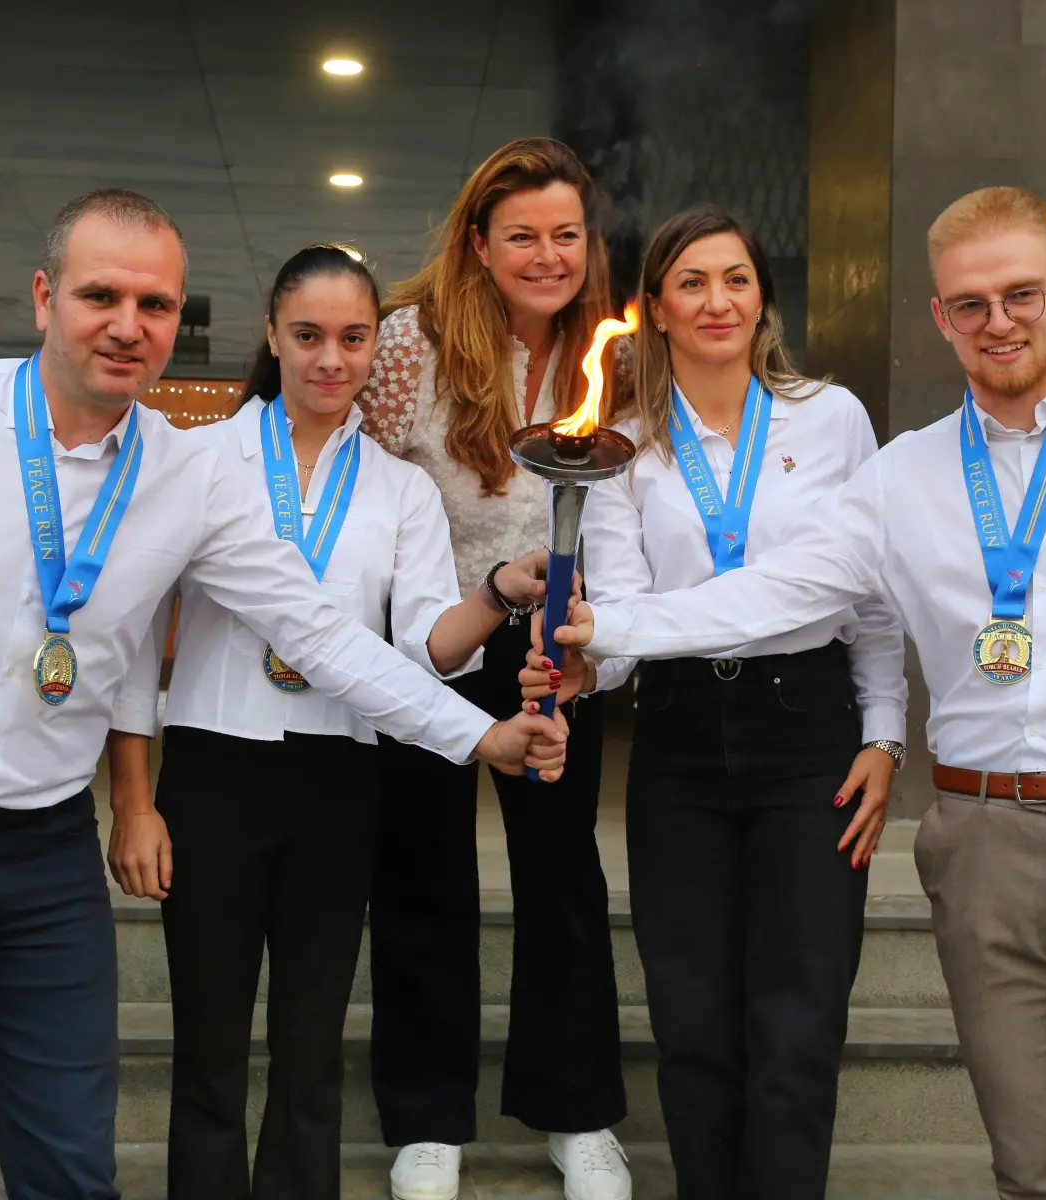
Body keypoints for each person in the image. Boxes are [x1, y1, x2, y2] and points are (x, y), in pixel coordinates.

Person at [0, 189, 565, 1200]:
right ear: (44, 296)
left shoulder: (187, 476)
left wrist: (480, 738)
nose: (128, 325)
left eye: (155, 305)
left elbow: (322, 635)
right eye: (100, 296)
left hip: (40, 855)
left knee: (73, 1163)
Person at [546, 187, 1046, 1200]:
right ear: (940, 316)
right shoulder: (904, 475)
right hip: (981, 838)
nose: (998, 321)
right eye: (970, 303)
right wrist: (609, 632)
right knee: (1032, 1172)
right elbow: (785, 589)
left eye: (1021, 294)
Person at [103, 245, 568, 1200]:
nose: (331, 359)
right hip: (214, 770)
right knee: (209, 1046)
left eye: (354, 338)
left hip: (342, 780)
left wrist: (495, 591)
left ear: (374, 349)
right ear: (272, 336)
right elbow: (134, 643)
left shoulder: (401, 488)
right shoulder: (196, 462)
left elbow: (426, 649)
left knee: (311, 1047)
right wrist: (135, 803)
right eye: (308, 335)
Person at [519, 205, 906, 1198]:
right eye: (691, 282)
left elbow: (871, 594)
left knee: (799, 1019)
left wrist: (885, 733)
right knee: (691, 1022)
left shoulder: (832, 418)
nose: (717, 301)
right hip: (681, 739)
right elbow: (624, 617)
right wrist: (582, 664)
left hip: (808, 731)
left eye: (736, 278)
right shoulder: (622, 445)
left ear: (763, 296)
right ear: (655, 307)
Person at [355, 136, 631, 1200]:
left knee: (561, 871)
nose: (547, 255)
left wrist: (586, 641)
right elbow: (362, 487)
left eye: (566, 234)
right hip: (435, 630)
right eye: (522, 235)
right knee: (423, 869)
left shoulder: (614, 350)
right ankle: (428, 1119)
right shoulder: (407, 343)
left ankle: (576, 1112)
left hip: (554, 641)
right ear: (478, 242)